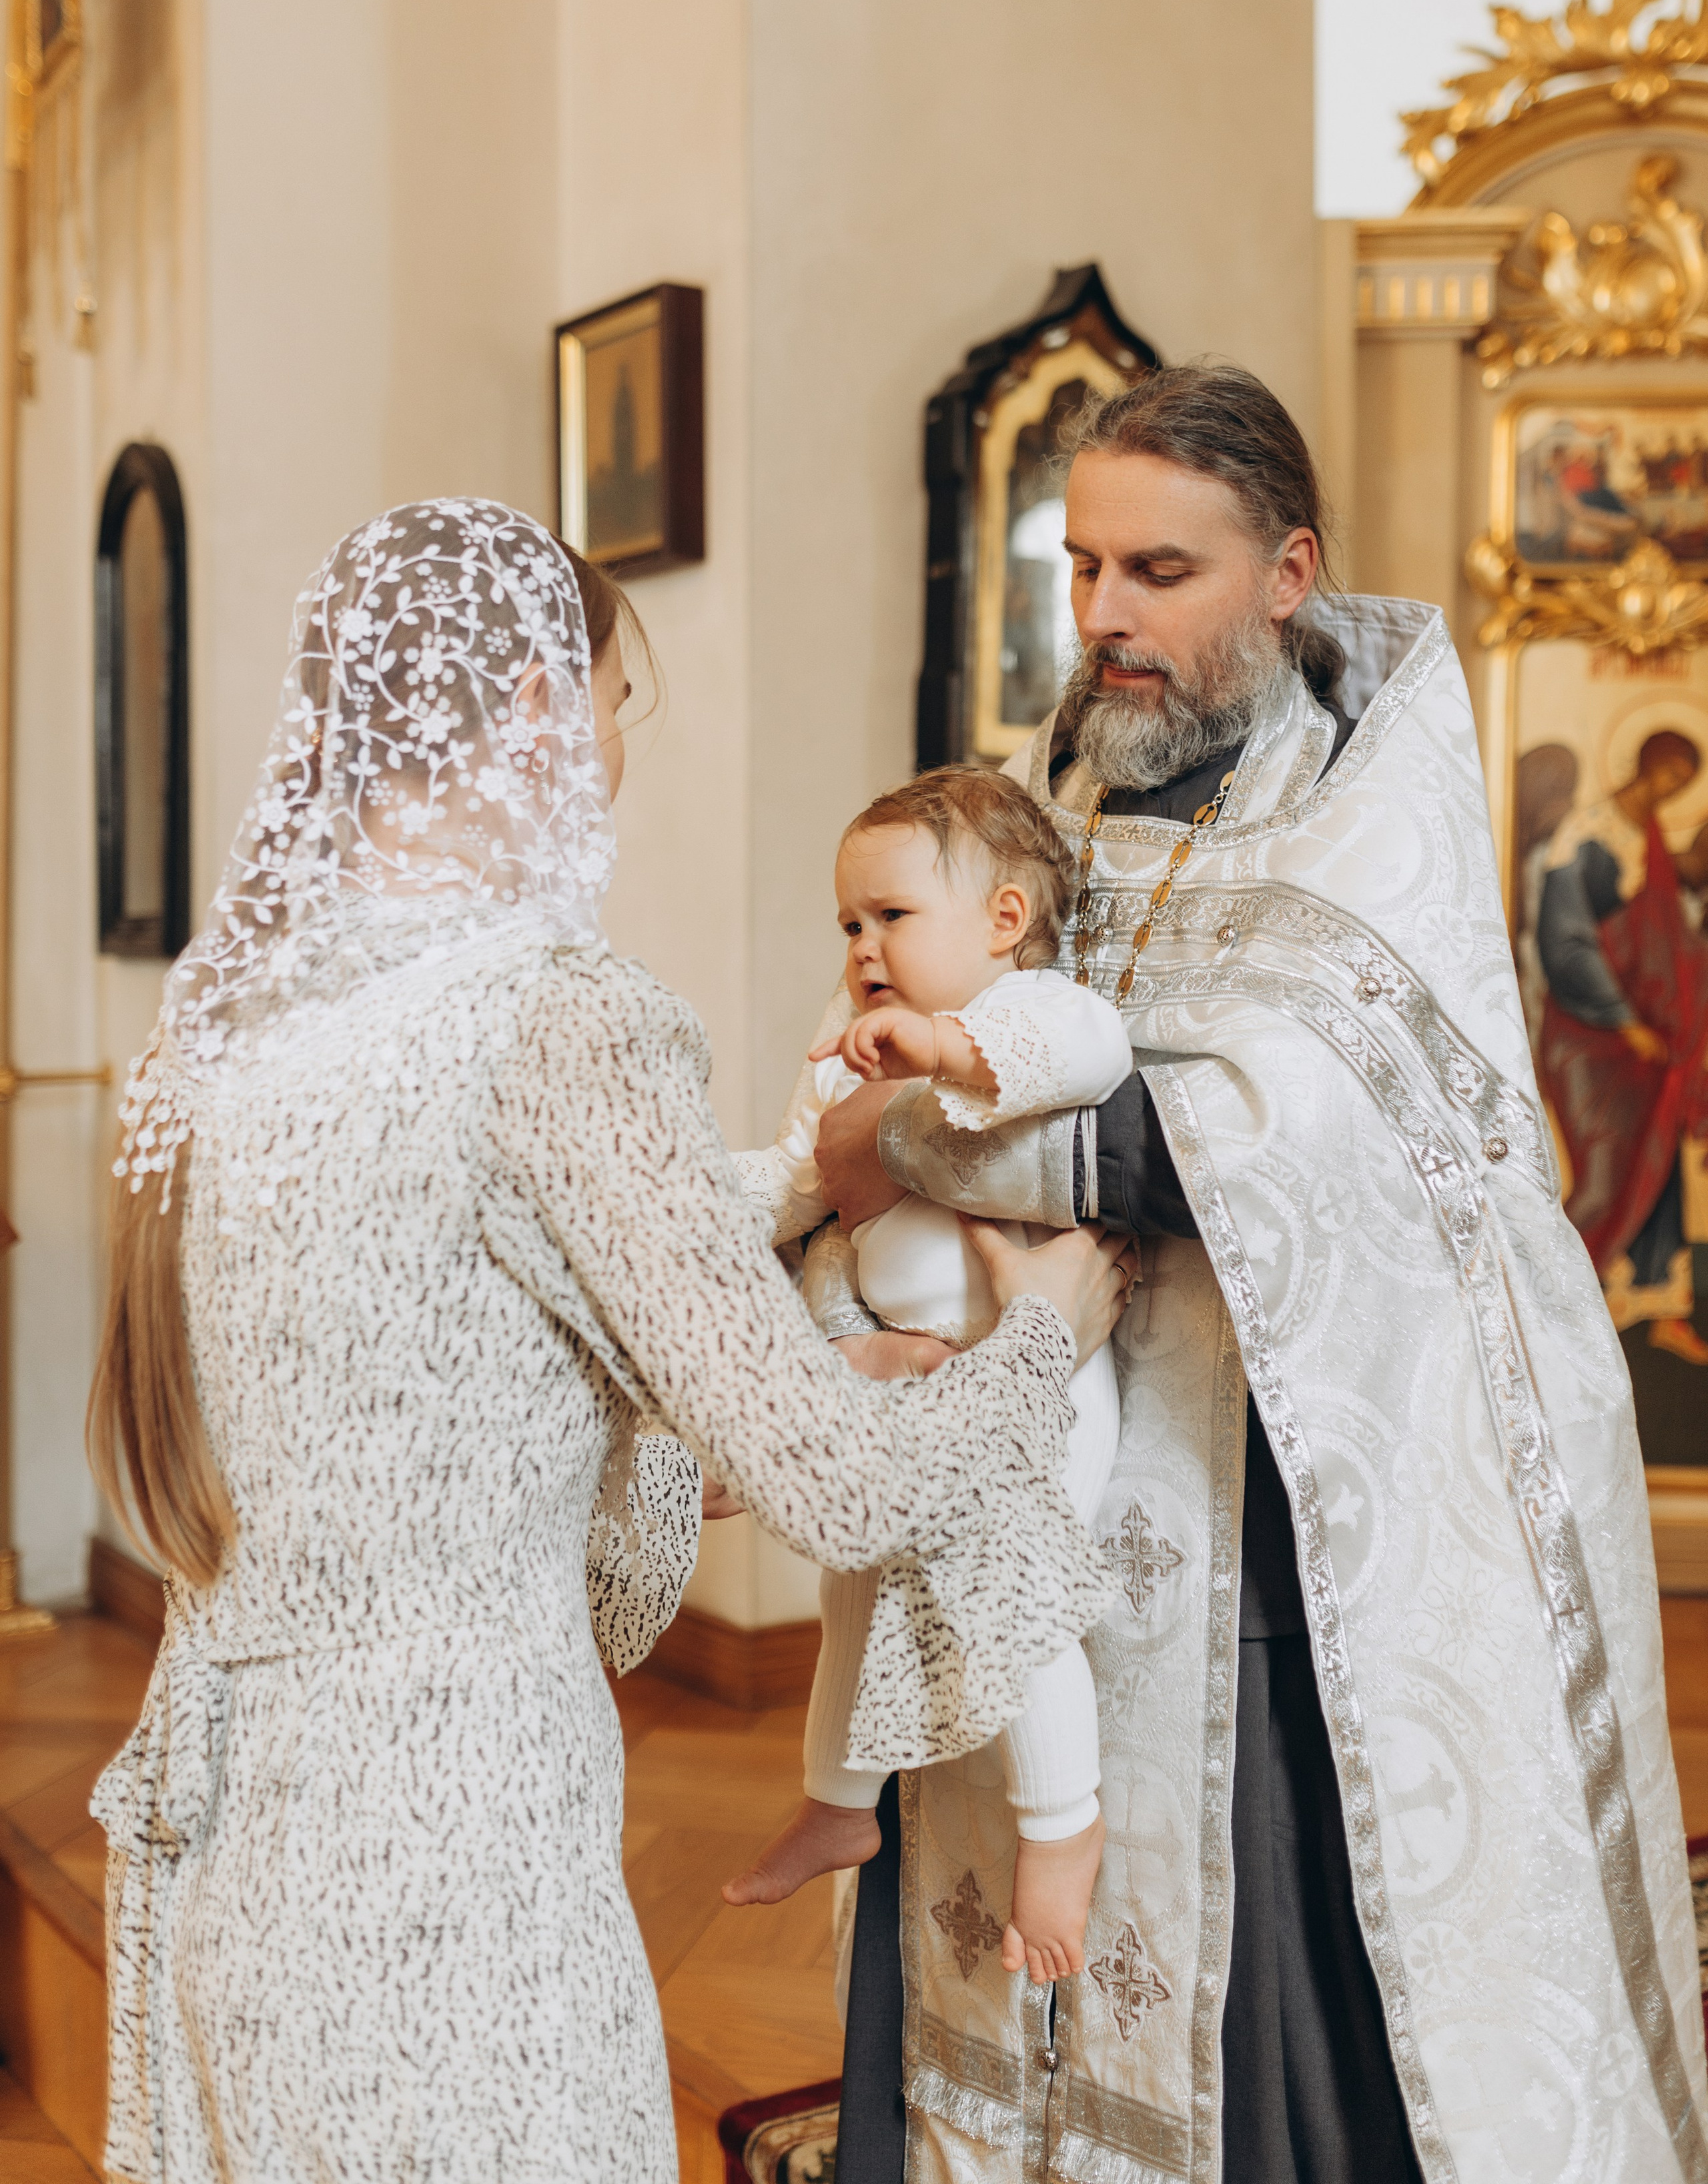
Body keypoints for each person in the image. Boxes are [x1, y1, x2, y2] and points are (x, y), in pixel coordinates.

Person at [85, 499, 1132, 2184]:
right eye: (612, 706)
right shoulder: (555, 1014)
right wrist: (1040, 1340)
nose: (612, 750)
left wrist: (791, 1200)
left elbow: (447, 1319)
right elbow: (848, 1492)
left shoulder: (245, 1017)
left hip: (243, 1832)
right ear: (524, 714)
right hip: (449, 1857)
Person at [812, 367, 1708, 2184]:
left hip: (1272, 1521)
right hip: (1043, 1442)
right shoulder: (1061, 791)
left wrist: (891, 1146)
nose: (1109, 620)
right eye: (1086, 572)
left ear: (1289, 568)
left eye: (1164, 571)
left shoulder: (1370, 811)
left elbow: (1254, 1148)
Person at [724, 769, 1133, 1979]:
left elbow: (1086, 1052)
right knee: (858, 1575)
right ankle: (837, 1799)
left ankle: (1062, 1827)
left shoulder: (1032, 1009)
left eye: (890, 918)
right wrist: (703, 1217)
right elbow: (804, 1181)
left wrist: (943, 1051)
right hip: (906, 1385)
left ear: (1003, 921)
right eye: (848, 925)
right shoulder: (846, 1048)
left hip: (1037, 1383)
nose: (860, 950)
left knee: (1016, 1598)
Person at [1536, 729, 1708, 1367]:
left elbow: (1668, 929)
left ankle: (1659, 1305)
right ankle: (1564, 1306)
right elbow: (1568, 942)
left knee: (1659, 1165)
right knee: (1606, 1171)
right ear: (1646, 764)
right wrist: (1622, 1019)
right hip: (1594, 1040)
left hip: (1651, 1044)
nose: (1674, 789)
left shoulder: (1654, 840)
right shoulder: (1589, 835)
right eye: (1670, 774)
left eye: (1685, 781)